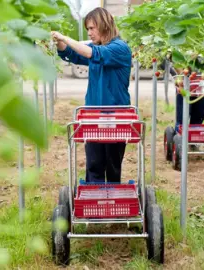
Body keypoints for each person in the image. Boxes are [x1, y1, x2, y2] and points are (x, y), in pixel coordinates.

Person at [51, 7, 132, 183]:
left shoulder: (120, 48)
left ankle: (111, 202)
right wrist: (58, 41)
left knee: (112, 165)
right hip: (93, 116)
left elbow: (91, 53)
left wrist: (65, 37)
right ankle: (94, 203)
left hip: (116, 117)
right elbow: (72, 53)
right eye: (87, 29)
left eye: (91, 28)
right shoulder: (98, 48)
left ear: (103, 25)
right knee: (94, 163)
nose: (89, 33)